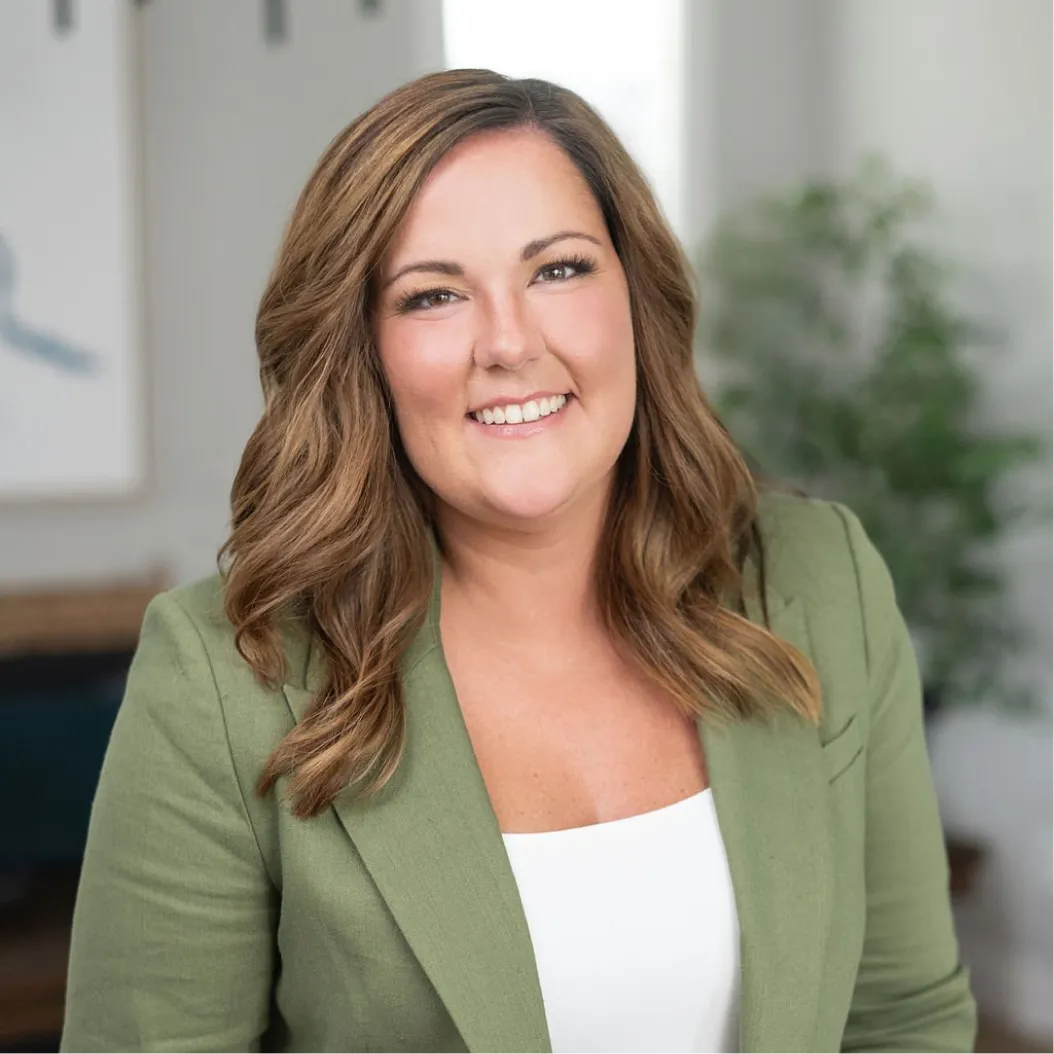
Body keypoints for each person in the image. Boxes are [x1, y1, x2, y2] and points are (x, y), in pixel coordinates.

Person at [61, 69, 977, 1054]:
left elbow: (902, 1021)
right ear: (362, 349)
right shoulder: (225, 677)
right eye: (433, 294)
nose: (507, 342)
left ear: (637, 297)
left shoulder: (819, 579)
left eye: (558, 270)